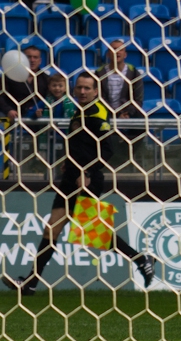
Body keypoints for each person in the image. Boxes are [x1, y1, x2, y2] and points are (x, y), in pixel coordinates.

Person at [2, 71, 154, 296]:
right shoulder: (79, 111)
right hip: (71, 177)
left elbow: (107, 149)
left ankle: (141, 259)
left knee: (94, 232)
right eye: (79, 88)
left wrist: (87, 171)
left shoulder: (97, 113)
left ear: (95, 91)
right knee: (52, 228)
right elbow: (81, 143)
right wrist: (68, 161)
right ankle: (30, 283)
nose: (82, 92)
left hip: (86, 180)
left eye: (87, 88)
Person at [95, 39, 145, 166]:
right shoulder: (99, 73)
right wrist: (115, 115)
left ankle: (124, 157)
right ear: (107, 54)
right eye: (113, 49)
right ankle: (117, 160)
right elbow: (98, 98)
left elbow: (138, 99)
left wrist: (126, 112)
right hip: (106, 113)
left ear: (125, 54)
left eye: (120, 49)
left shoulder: (134, 73)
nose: (117, 52)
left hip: (128, 113)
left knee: (142, 122)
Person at [0, 45, 49, 120]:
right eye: (29, 57)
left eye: (35, 57)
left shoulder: (46, 79)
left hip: (38, 121)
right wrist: (8, 110)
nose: (32, 60)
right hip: (13, 119)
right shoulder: (9, 76)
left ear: (40, 61)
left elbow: (50, 98)